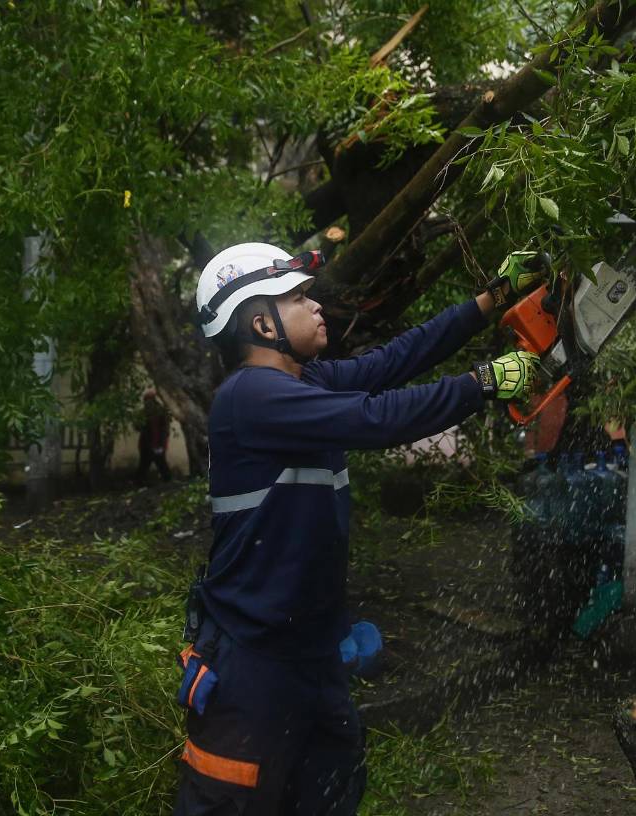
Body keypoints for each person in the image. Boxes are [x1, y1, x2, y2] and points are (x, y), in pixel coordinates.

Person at [173, 241, 542, 816]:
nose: (316, 305)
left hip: (313, 652)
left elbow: (396, 360)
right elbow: (376, 418)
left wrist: (492, 299)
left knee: (328, 790)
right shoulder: (251, 397)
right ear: (261, 323)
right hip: (253, 660)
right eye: (298, 298)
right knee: (234, 800)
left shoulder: (307, 383)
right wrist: (482, 383)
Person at [135, 387, 173, 484]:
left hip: (154, 443)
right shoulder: (152, 411)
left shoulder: (159, 411)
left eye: (148, 399)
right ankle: (140, 481)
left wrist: (161, 443)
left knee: (157, 463)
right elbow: (138, 426)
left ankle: (168, 482)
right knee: (147, 463)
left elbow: (164, 429)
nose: (147, 402)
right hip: (149, 443)